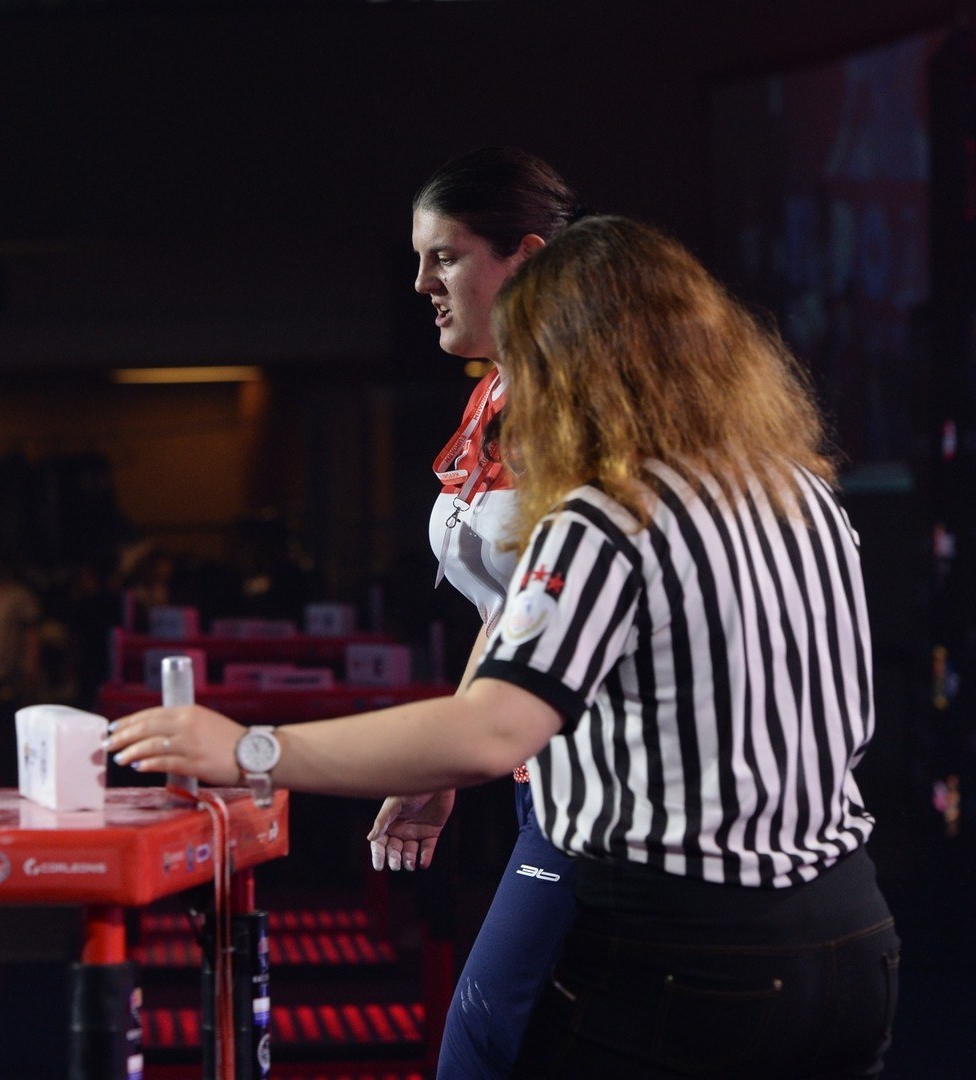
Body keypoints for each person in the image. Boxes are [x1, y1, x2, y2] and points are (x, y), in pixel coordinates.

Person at [106, 214, 899, 1078]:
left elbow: (494, 730)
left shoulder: (608, 514)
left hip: (689, 948)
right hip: (853, 937)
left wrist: (250, 749)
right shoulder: (801, 494)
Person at [378, 146, 588, 1076]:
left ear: (528, 259)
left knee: (480, 1049)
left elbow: (563, 603)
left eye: (446, 257)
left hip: (608, 791)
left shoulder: (588, 401)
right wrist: (453, 762)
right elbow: (512, 610)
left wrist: (249, 752)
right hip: (535, 775)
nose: (421, 281)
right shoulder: (497, 391)